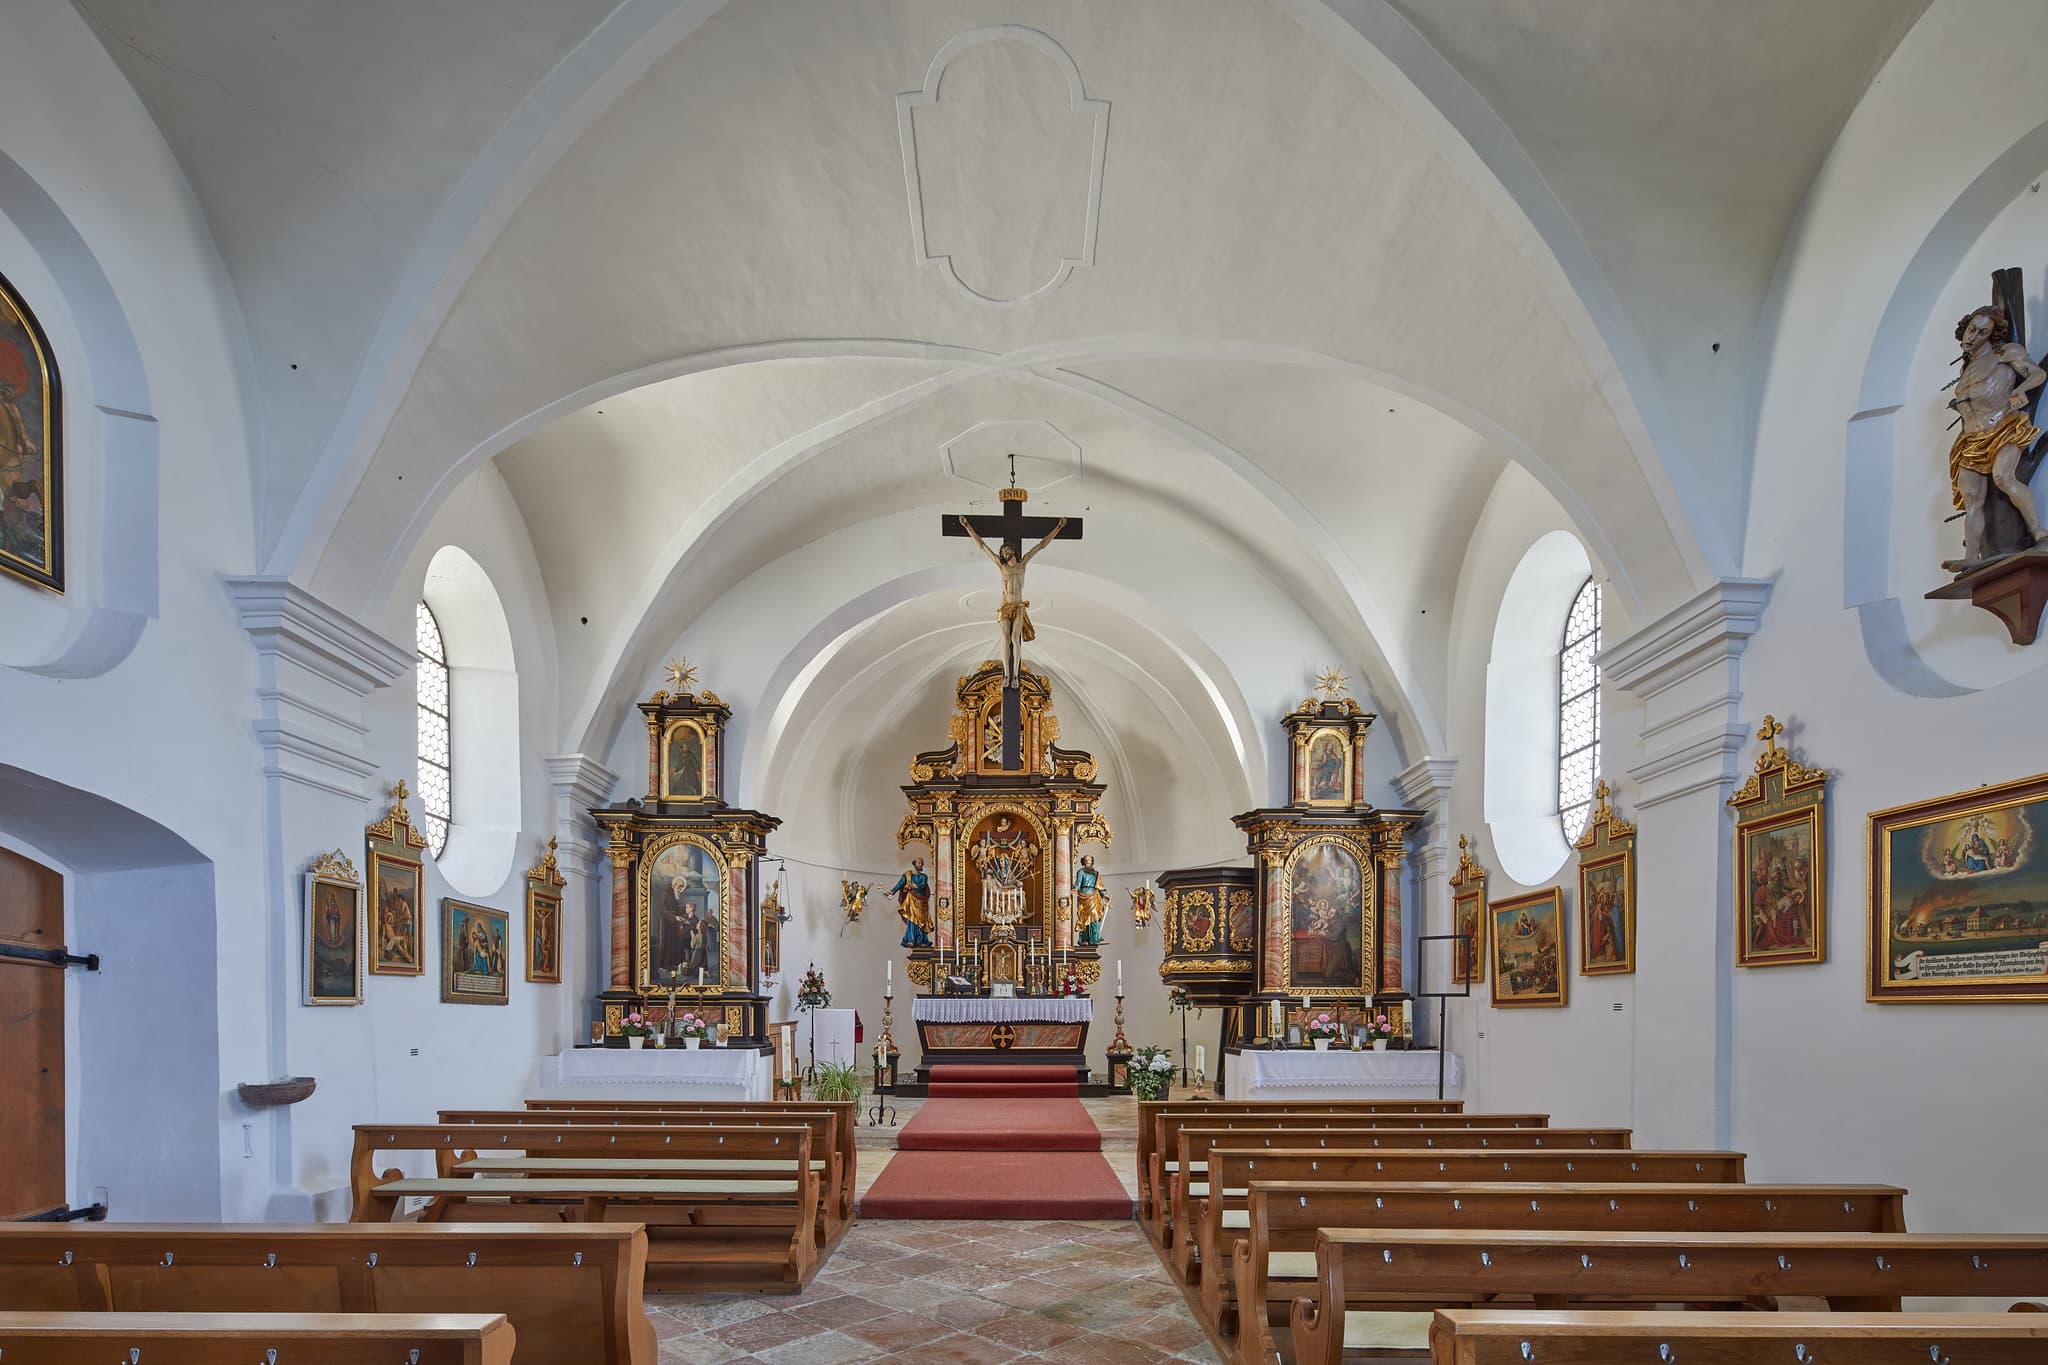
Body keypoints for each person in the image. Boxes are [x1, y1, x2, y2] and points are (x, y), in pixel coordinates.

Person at [1943, 305, 2047, 572]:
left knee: (2004, 477)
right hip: (1971, 440)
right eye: (1971, 329)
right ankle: (1972, 556)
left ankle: (2038, 531)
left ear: (1992, 336)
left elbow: (2037, 374)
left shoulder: (2004, 354)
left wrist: (2021, 390)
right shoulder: (1966, 370)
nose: (1973, 337)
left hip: (2002, 429)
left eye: (1982, 332)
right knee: (1972, 499)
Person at [959, 513, 1068, 688]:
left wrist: (1058, 528)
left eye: (1005, 550)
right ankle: (1006, 675)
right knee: (1005, 638)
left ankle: (1015, 676)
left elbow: (1041, 545)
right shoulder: (1001, 566)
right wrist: (967, 527)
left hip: (1018, 605)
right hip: (1005, 606)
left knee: (1015, 637)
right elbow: (982, 546)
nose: (1003, 552)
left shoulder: (1023, 564)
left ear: (1012, 550)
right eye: (1002, 551)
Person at [891, 857, 933, 948]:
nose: (921, 865)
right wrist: (892, 892)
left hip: (921, 902)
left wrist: (915, 886)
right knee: (912, 920)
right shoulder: (907, 875)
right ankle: (911, 939)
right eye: (919, 863)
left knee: (922, 921)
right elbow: (900, 884)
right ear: (914, 864)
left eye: (922, 863)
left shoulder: (924, 876)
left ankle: (922, 940)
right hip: (911, 900)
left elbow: (922, 886)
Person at [1074, 854, 1104, 947]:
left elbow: (1100, 886)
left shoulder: (1096, 873)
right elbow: (1078, 883)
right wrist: (1075, 888)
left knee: (1094, 915)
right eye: (1086, 860)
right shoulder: (1080, 871)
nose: (1088, 861)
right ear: (1083, 861)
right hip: (1084, 895)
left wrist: (1104, 894)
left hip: (1094, 895)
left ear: (1092, 862)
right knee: (1084, 918)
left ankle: (1095, 938)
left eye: (1089, 860)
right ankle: (1084, 939)